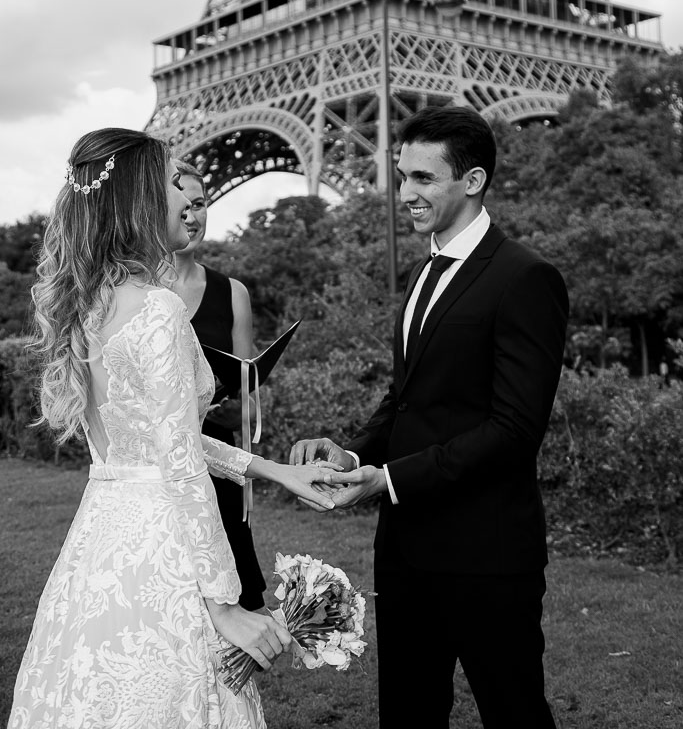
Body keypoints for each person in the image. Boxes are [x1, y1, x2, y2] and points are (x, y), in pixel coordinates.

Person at [8, 127, 336, 729]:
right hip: (167, 544)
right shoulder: (156, 306)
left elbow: (165, 441)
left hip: (102, 541)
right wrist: (223, 603)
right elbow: (179, 466)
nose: (185, 199)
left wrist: (270, 469)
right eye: (169, 183)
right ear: (136, 198)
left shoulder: (92, 302)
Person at [292, 105, 569, 729]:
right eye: (401, 176)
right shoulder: (424, 271)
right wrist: (354, 455)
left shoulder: (526, 277)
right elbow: (408, 398)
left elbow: (516, 429)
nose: (405, 193)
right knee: (409, 713)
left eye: (423, 179)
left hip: (487, 553)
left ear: (471, 182)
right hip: (406, 549)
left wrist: (389, 480)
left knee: (515, 712)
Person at [173, 159, 267, 611]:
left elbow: (249, 404)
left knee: (234, 606)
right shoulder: (130, 292)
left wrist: (235, 408)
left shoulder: (233, 293)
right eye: (181, 204)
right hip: (161, 476)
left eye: (200, 203)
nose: (191, 215)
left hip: (220, 470)